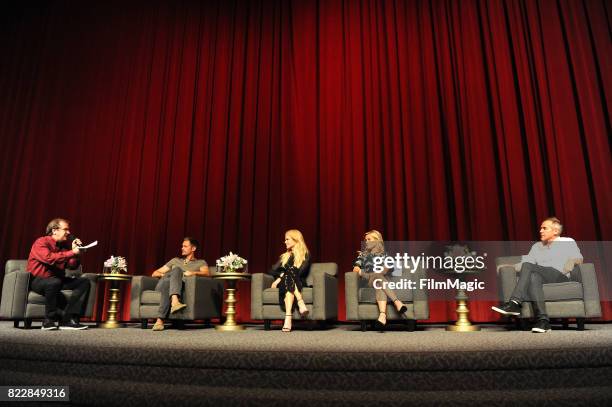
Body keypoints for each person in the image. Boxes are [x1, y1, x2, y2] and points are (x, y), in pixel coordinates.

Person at [492, 217, 583, 333]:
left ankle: (514, 302)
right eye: (540, 228)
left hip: (560, 275)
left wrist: (571, 262)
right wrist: (507, 267)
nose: (541, 231)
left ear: (555, 231)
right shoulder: (536, 247)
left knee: (529, 267)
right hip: (543, 276)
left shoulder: (567, 241)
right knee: (533, 277)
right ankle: (543, 321)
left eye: (544, 228)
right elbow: (525, 264)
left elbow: (579, 258)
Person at [27, 218, 90, 330]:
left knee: (83, 282)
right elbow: (49, 258)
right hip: (38, 280)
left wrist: (76, 252)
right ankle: (48, 321)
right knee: (54, 282)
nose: (69, 232)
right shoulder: (41, 242)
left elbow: (72, 266)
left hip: (57, 280)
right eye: (65, 229)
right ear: (54, 230)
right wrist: (71, 253)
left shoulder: (63, 246)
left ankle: (66, 318)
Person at [150, 237, 210, 331]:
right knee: (176, 270)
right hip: (161, 284)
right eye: (182, 246)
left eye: (185, 246)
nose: (182, 248)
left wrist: (193, 272)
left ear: (193, 248)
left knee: (168, 283)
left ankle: (159, 321)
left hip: (172, 287)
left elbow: (206, 273)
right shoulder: (175, 260)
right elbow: (155, 273)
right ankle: (175, 301)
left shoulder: (200, 262)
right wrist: (166, 276)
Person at [352, 230, 408, 330]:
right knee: (378, 276)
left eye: (369, 239)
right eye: (365, 240)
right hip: (368, 281)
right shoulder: (362, 255)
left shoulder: (385, 255)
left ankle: (382, 316)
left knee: (379, 284)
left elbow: (391, 269)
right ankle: (397, 302)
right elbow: (356, 269)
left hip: (381, 281)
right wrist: (362, 271)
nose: (366, 242)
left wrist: (383, 269)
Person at [269, 229, 311, 332]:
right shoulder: (285, 256)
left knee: (290, 273)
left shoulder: (305, 254)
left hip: (299, 281)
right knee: (288, 275)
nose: (285, 242)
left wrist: (280, 278)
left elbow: (300, 273)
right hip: (286, 282)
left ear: (295, 240)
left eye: (287, 239)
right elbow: (272, 270)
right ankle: (300, 302)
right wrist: (281, 275)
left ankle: (288, 318)